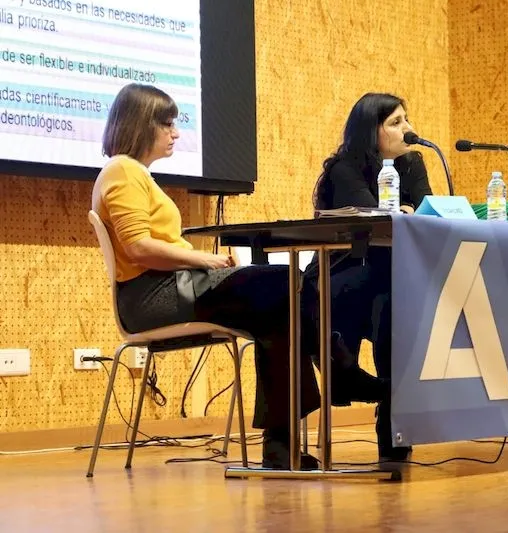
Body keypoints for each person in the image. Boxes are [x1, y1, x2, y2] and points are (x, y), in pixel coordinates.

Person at [91, 83, 371, 470]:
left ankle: (281, 446)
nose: (175, 133)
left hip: (172, 288)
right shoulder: (123, 170)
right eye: (167, 124)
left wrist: (198, 262)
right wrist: (201, 260)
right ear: (141, 125)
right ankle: (336, 362)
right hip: (152, 298)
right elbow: (138, 247)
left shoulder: (134, 173)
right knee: (281, 282)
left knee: (280, 311)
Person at [304, 93, 434, 461]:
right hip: (337, 280)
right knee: (391, 298)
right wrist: (405, 211)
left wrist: (409, 211)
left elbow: (426, 210)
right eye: (395, 122)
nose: (407, 129)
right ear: (369, 131)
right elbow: (374, 219)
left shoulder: (412, 164)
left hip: (385, 278)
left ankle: (390, 409)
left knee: (393, 299)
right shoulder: (344, 168)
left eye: (406, 120)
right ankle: (389, 410)